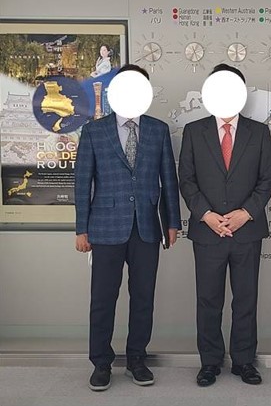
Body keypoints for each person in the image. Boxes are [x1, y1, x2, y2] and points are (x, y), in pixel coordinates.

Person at [75, 63, 181, 391]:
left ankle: (137, 359)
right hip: (105, 227)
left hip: (147, 227)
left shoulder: (158, 130)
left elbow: (168, 178)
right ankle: (101, 363)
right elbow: (82, 182)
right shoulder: (94, 131)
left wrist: (173, 222)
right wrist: (81, 229)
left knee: (143, 297)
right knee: (103, 298)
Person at [178, 64, 271, 387]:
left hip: (247, 231)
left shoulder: (259, 133)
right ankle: (210, 362)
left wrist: (245, 213)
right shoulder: (194, 132)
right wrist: (206, 215)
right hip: (207, 231)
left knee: (245, 299)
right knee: (208, 299)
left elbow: (267, 180)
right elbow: (186, 180)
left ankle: (244, 361)